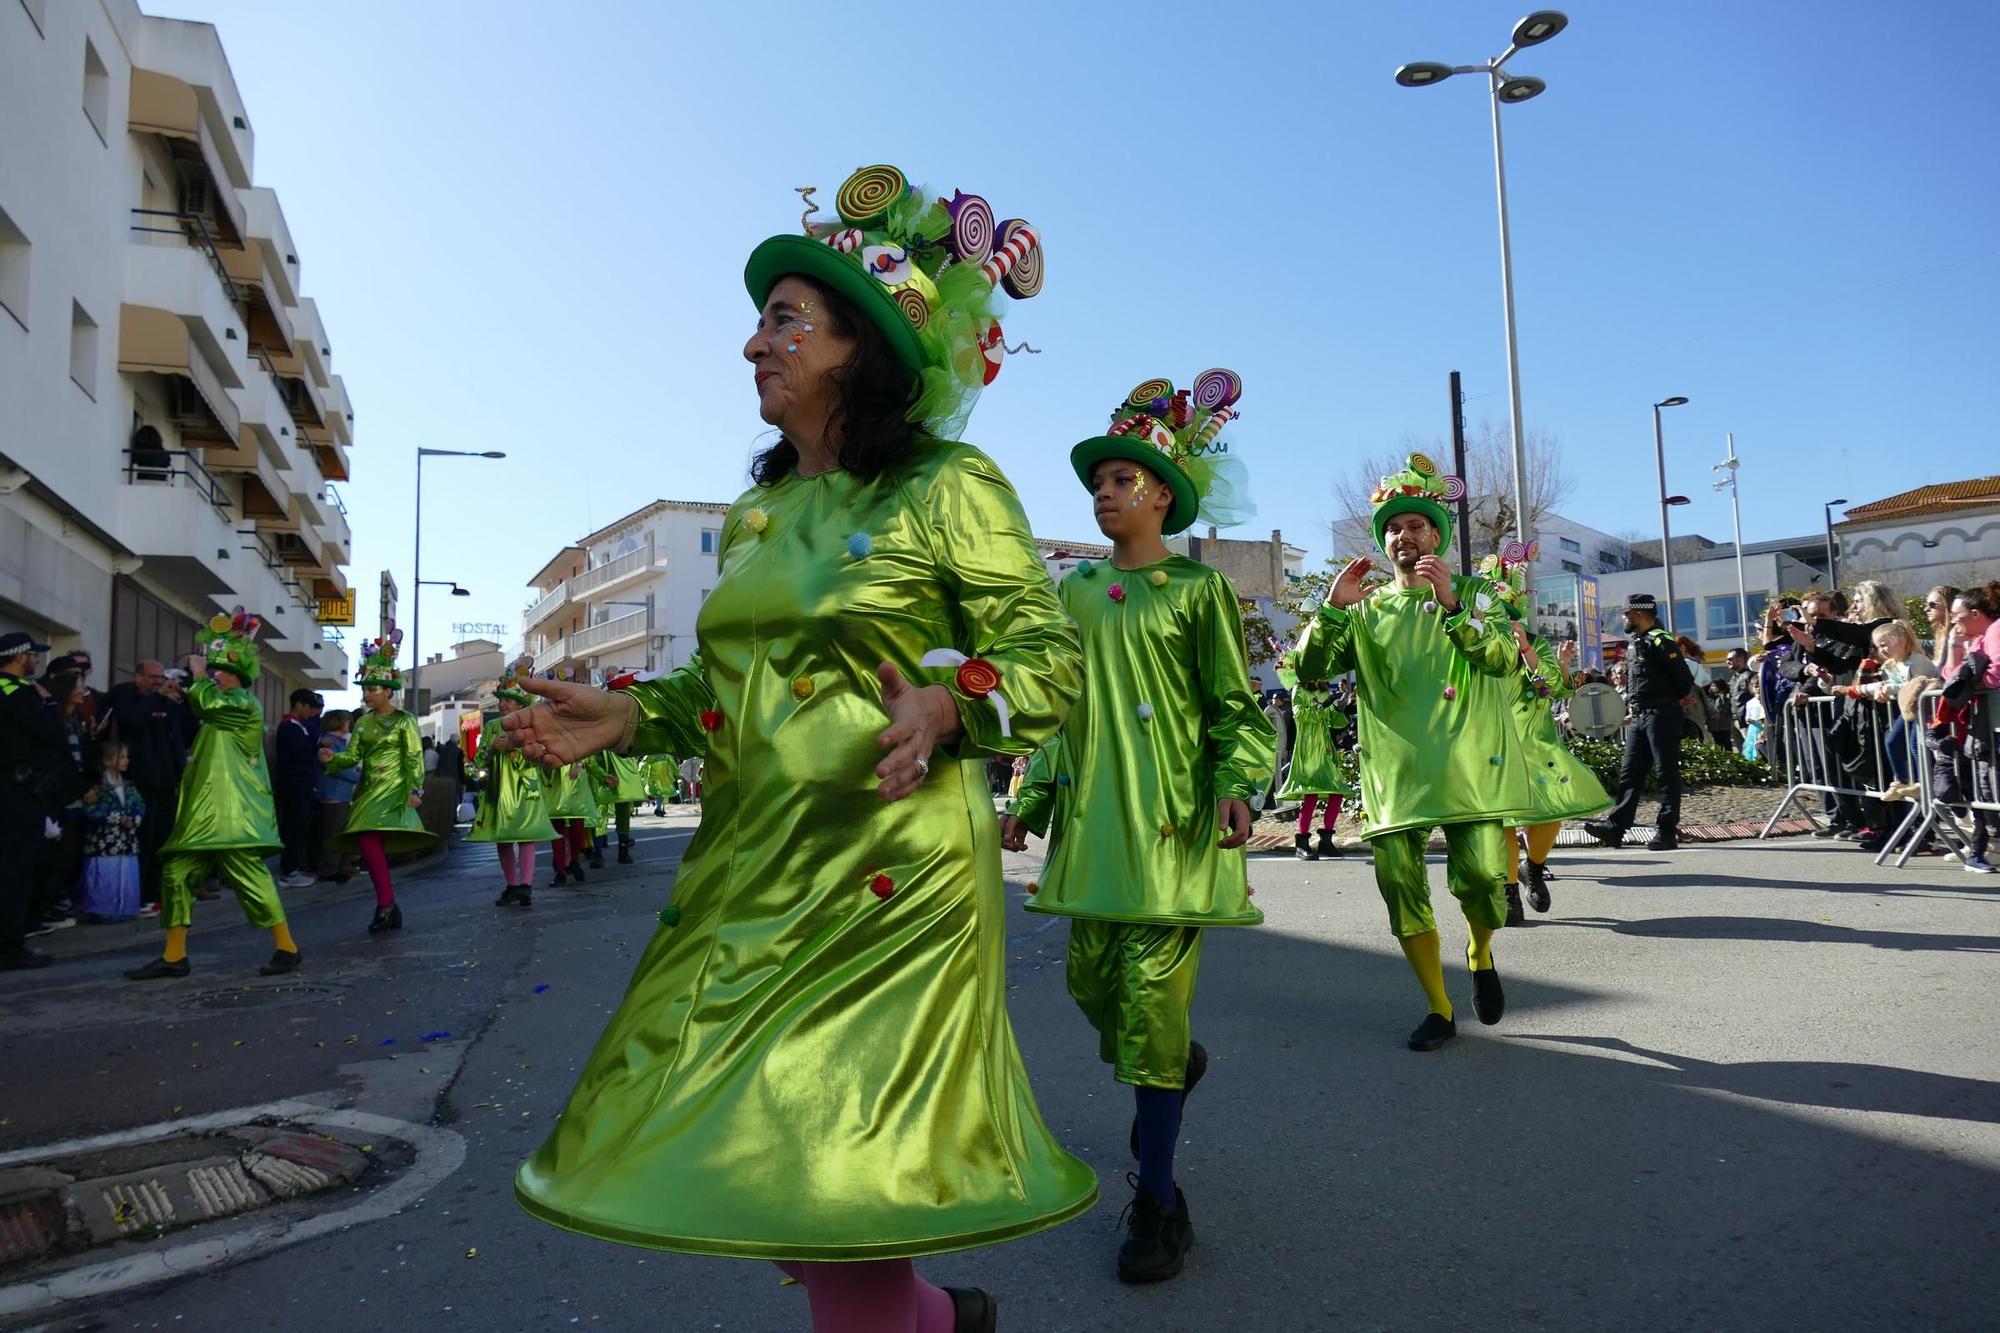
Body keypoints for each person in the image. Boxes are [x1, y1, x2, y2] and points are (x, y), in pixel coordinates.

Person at [499, 164, 1086, 1330]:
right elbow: (734, 696)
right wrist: (633, 716)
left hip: (891, 880)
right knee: (779, 1191)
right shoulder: (760, 514)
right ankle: (939, 1317)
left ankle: (912, 1312)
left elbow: (1049, 664)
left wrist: (949, 705)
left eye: (784, 319)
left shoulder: (947, 485)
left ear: (860, 345)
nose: (752, 345)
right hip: (748, 871)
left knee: (842, 1188)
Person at [1001, 369, 1272, 1283]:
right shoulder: (1074, 594)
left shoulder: (1200, 591)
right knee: (1092, 987)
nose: (1104, 492)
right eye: (1098, 481)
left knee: (1150, 1003)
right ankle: (1173, 1060)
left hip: (1173, 831)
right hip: (1092, 834)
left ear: (1162, 494)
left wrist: (1238, 782)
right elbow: (1055, 708)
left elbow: (1236, 708)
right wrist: (1031, 797)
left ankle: (1157, 1200)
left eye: (1122, 480)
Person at [1292, 455, 1526, 1052]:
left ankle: (1480, 953)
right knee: (1399, 884)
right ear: (1384, 539)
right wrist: (1333, 608)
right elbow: (1311, 669)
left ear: (1436, 535)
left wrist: (1454, 608)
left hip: (1467, 768)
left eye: (1417, 525)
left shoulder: (1474, 593)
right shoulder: (1364, 609)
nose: (1405, 535)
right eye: (1394, 527)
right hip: (1393, 774)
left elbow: (1501, 658)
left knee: (1481, 878)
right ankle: (1439, 1007)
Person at [126, 610, 300, 980]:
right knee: (175, 873)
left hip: (232, 813)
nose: (213, 674)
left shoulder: (240, 704)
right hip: (205, 812)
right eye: (213, 669)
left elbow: (205, 703)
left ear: (235, 673)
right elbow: (196, 713)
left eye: (219, 669)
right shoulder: (220, 706)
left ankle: (287, 947)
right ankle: (175, 956)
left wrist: (199, 673)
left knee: (249, 877)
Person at [1480, 544, 1611, 919]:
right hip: (1493, 743)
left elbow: (1557, 687)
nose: (1505, 622)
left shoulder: (1536, 644)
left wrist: (1528, 651)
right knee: (1502, 819)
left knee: (1552, 808)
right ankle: (1507, 890)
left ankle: (1532, 868)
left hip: (1537, 742)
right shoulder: (1477, 645)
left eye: (1510, 615)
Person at [321, 629, 434, 933]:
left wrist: (414, 789)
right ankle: (387, 904)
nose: (367, 694)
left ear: (387, 691)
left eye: (372, 688)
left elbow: (414, 757)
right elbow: (353, 756)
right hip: (369, 790)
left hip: (395, 790)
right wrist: (334, 759)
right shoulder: (362, 722)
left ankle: (385, 906)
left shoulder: (405, 720)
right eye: (365, 689)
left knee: (372, 842)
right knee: (367, 842)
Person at [1585, 594, 1696, 851]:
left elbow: (1684, 681)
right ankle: (1616, 829)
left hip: (1662, 714)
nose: (1624, 619)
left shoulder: (1661, 641)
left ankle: (1666, 831)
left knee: (1666, 774)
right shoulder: (1637, 643)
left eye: (1627, 614)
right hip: (1640, 716)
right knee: (1630, 773)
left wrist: (1665, 701)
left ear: (1638, 614)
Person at [471, 660, 558, 908]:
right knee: (504, 838)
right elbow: (478, 760)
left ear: (521, 704)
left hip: (525, 786)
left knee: (527, 836)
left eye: (508, 700)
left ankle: (526, 886)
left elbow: (541, 753)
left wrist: (514, 746)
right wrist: (488, 750)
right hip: (499, 788)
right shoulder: (490, 727)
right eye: (501, 699)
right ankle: (511, 885)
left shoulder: (532, 725)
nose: (502, 704)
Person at [0, 630, 62, 969]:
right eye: (34, 655)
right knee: (16, 871)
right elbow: (51, 733)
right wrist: (50, 702)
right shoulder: (20, 692)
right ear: (20, 656)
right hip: (18, 790)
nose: (37, 660)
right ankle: (9, 947)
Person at [106, 659, 187, 910]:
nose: (159, 682)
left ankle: (155, 893)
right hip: (140, 783)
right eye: (154, 677)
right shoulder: (127, 696)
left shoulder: (165, 702)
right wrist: (156, 697)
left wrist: (183, 701)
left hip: (166, 783)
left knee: (163, 841)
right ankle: (139, 896)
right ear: (138, 676)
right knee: (144, 841)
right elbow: (132, 719)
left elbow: (186, 731)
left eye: (162, 678)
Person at [1275, 653, 1350, 861]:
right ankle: (1302, 843)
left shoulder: (1324, 691)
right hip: (1308, 749)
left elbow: (1334, 721)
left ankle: (1326, 841)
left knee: (1337, 792)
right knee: (1311, 794)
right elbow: (1301, 714)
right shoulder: (1299, 689)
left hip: (1325, 748)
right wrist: (1327, 707)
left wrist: (1343, 707)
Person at [1860, 620, 1937, 803]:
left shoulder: (1918, 661)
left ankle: (1923, 782)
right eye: (1879, 646)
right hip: (1909, 710)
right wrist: (1880, 688)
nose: (1882, 650)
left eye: (1885, 644)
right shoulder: (1892, 665)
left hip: (1925, 711)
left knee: (1915, 745)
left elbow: (1915, 685)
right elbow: (1893, 685)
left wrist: (1887, 689)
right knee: (1892, 741)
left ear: (1901, 640)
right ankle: (1902, 780)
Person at [77, 738, 144, 923]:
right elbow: (91, 810)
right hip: (104, 841)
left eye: (126, 757)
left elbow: (140, 805)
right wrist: (116, 817)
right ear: (107, 761)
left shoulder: (129, 786)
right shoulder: (98, 788)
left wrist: (133, 820)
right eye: (121, 757)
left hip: (126, 841)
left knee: (125, 872)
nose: (126, 760)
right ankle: (102, 910)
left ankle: (125, 908)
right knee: (106, 873)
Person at [273, 688, 323, 889]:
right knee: (293, 826)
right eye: (309, 706)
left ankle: (293, 867)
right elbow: (300, 752)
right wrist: (318, 747)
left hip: (302, 782)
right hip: (293, 784)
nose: (312, 712)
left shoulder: (300, 726)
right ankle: (289, 870)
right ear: (299, 705)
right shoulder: (289, 727)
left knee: (299, 826)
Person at [315, 710, 359, 883]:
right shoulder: (329, 742)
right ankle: (329, 869)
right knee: (333, 833)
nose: (350, 724)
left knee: (339, 831)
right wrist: (358, 776)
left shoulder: (338, 741)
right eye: (347, 721)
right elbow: (336, 766)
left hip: (341, 793)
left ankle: (341, 866)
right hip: (333, 793)